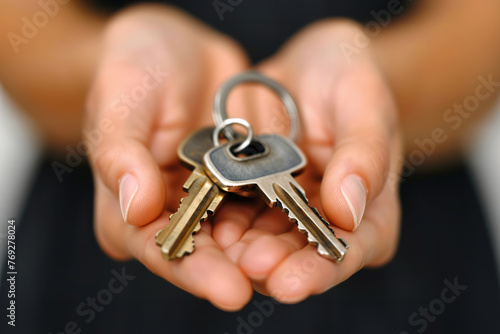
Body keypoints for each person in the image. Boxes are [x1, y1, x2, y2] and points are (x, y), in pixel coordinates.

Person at [1, 0, 500, 333]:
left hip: (415, 251)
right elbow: (18, 38)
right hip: (90, 263)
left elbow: (482, 33)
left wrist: (378, 82)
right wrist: (108, 70)